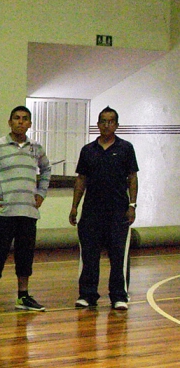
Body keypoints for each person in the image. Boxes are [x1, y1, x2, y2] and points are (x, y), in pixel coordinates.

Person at [0, 105, 51, 313]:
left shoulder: (36, 148)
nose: (20, 122)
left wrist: (41, 192)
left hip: (28, 212)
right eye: (16, 118)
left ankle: (23, 296)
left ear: (30, 124)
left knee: (25, 257)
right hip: (4, 213)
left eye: (25, 119)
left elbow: (47, 168)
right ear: (10, 122)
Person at [68, 107, 138, 310]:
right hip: (91, 212)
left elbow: (132, 177)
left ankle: (119, 296)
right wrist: (74, 207)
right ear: (97, 124)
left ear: (116, 125)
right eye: (103, 121)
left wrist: (132, 205)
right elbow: (81, 179)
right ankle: (87, 295)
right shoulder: (88, 150)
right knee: (89, 255)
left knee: (118, 255)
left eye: (111, 121)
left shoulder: (126, 148)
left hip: (118, 212)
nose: (106, 125)